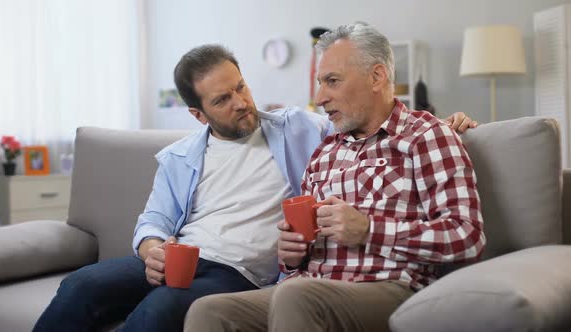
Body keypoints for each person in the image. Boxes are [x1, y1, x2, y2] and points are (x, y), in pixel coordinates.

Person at [34, 42, 477, 331]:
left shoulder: (300, 130)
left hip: (239, 271)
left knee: (160, 310)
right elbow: (154, 219)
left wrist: (446, 123)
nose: (242, 103)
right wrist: (152, 249)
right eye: (222, 100)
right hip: (188, 258)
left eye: (241, 87)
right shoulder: (180, 157)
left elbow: (365, 117)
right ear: (198, 114)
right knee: (82, 284)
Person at [184, 23, 486, 332]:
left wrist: (368, 230)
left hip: (389, 287)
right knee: (209, 311)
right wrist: (292, 255)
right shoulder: (324, 151)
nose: (320, 97)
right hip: (308, 286)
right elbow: (297, 259)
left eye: (332, 81)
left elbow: (466, 236)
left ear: (377, 76)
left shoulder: (426, 136)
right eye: (319, 82)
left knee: (297, 296)